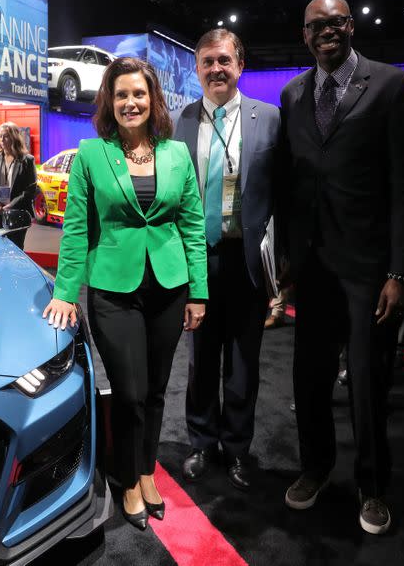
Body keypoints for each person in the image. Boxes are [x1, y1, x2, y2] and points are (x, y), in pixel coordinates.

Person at [279, 0, 404, 535]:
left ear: (351, 26)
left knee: (368, 383)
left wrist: (402, 272)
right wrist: (287, 258)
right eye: (316, 25)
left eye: (335, 22)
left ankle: (372, 484)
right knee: (309, 379)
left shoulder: (390, 85)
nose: (326, 31)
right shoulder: (294, 94)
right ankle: (315, 469)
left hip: (370, 270)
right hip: (313, 269)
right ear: (305, 35)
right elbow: (293, 184)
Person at [42, 57, 207, 531]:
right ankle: (127, 476)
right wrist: (66, 291)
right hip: (114, 290)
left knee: (156, 389)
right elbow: (75, 230)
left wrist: (199, 291)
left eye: (138, 94)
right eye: (121, 95)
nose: (130, 103)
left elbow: (192, 225)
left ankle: (146, 471)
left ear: (152, 99)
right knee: (130, 392)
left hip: (170, 287)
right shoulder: (92, 154)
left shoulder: (175, 154)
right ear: (109, 103)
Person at [173, 28, 281, 491]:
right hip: (198, 259)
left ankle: (238, 449)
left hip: (247, 260)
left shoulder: (270, 119)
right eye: (207, 62)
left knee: (243, 363)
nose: (216, 69)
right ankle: (201, 442)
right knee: (200, 359)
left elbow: (285, 194)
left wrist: (284, 273)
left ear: (240, 65)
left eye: (224, 60)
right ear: (197, 69)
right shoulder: (181, 121)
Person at [0, 122, 37, 249]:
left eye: (6, 136)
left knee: (15, 248)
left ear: (14, 137)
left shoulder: (27, 160)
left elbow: (31, 188)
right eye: (0, 136)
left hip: (17, 213)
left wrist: (12, 205)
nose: (2, 140)